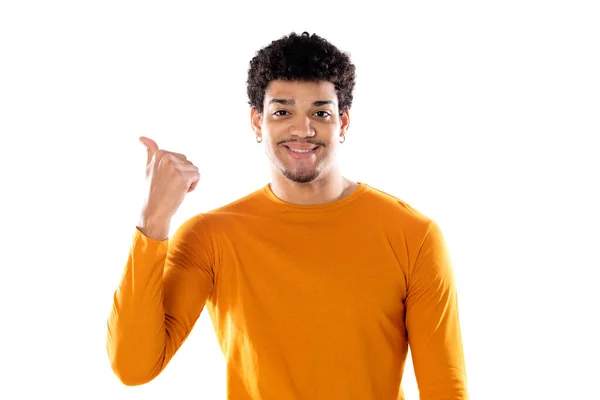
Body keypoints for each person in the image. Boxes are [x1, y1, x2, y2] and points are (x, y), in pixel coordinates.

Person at [106, 31, 469, 399]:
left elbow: (445, 390)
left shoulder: (413, 236)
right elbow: (134, 366)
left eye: (320, 112)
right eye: (282, 111)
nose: (302, 129)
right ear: (256, 120)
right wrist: (153, 219)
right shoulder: (210, 237)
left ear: (342, 122)